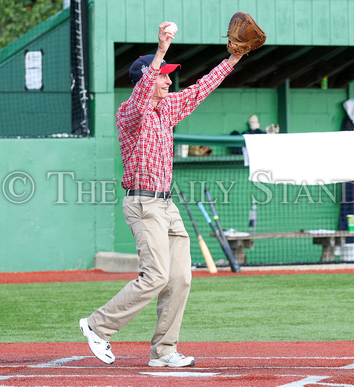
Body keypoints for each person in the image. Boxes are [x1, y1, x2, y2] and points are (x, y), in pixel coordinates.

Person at [79, 21, 244, 368]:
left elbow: (201, 89)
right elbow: (140, 98)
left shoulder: (166, 109)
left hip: (167, 205)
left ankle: (164, 351)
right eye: (163, 75)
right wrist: (160, 50)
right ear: (145, 78)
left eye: (169, 74)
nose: (169, 80)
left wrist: (233, 59)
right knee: (155, 275)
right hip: (142, 204)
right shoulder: (129, 113)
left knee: (181, 277)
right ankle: (97, 326)